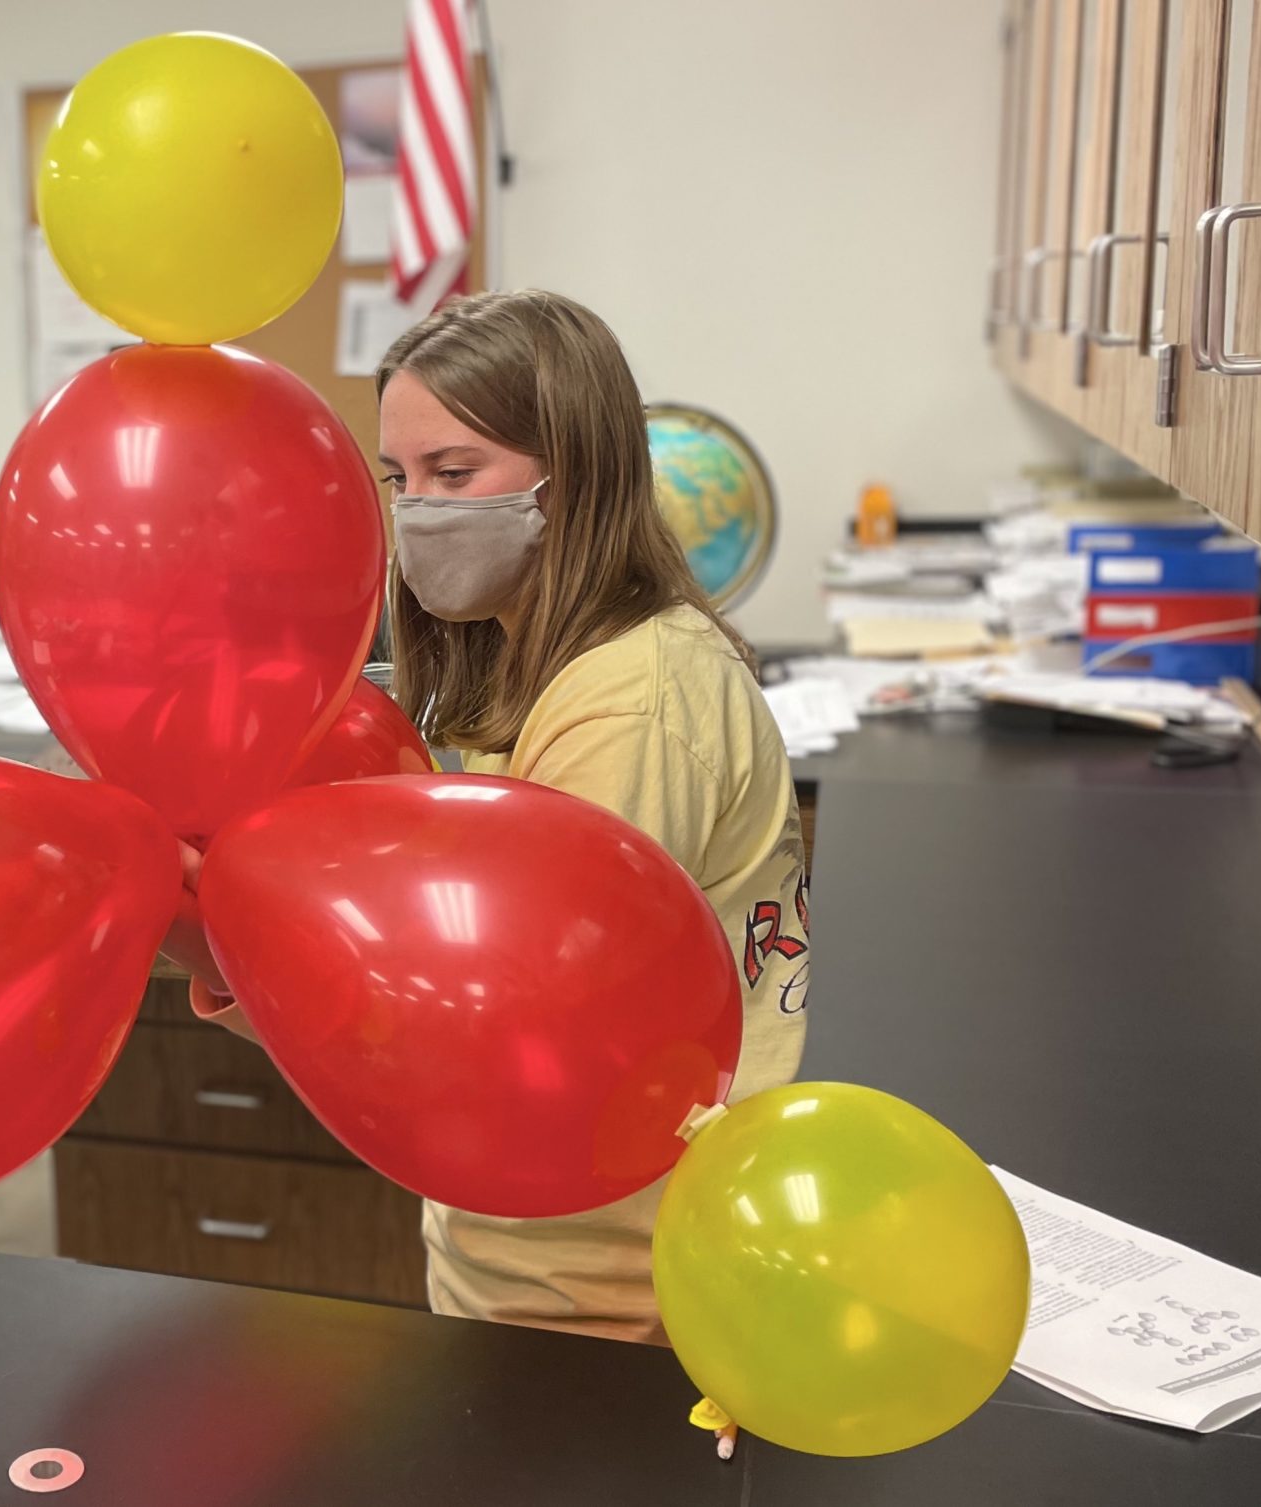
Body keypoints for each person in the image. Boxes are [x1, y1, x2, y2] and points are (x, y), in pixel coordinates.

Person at [174, 289, 809, 1357]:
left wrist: (228, 932)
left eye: (454, 474)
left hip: (612, 1293)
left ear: (576, 471)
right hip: (543, 1252)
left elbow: (513, 1039)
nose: (417, 509)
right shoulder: (548, 658)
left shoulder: (628, 709)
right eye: (400, 479)